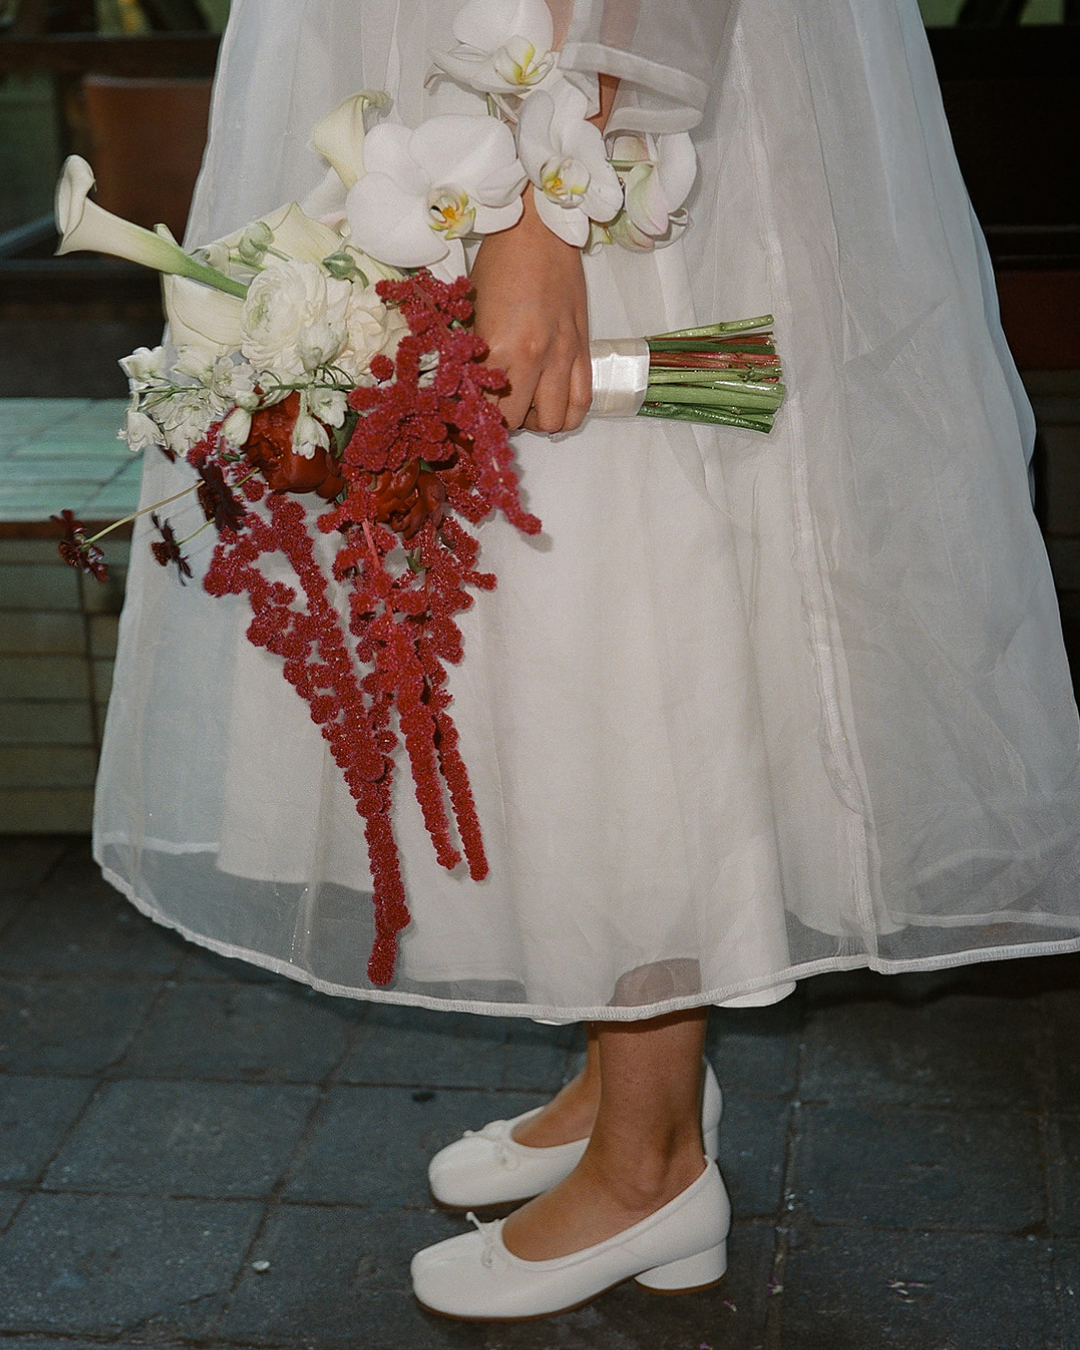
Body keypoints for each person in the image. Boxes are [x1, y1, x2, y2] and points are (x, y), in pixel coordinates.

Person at [94, 0, 1080, 1321]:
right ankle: (631, 1081)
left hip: (584, 99)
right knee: (558, 627)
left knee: (621, 603)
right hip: (501, 82)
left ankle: (651, 1167)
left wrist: (540, 223)